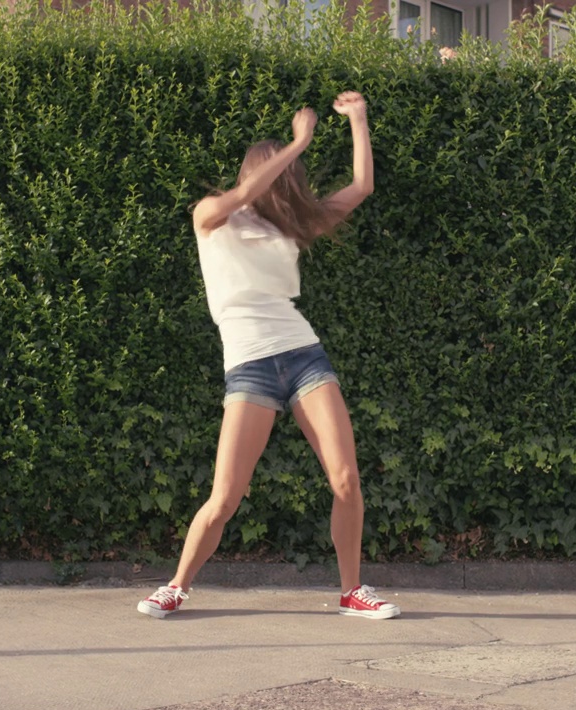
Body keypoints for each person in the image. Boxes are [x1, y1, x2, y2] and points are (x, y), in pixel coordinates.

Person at [137, 91, 400, 620]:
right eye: (279, 172)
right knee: (226, 496)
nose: (286, 182)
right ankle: (176, 586)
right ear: (262, 171)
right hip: (250, 366)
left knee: (346, 479)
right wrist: (298, 142)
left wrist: (359, 121)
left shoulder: (289, 228)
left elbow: (362, 187)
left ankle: (352, 590)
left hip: (303, 355)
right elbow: (244, 191)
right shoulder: (211, 217)